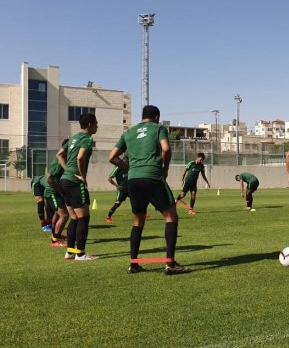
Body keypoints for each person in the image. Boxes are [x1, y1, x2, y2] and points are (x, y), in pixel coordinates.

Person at [108, 105, 190, 275]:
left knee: (138, 219)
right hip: (153, 176)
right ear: (157, 117)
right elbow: (166, 148)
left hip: (133, 179)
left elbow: (112, 157)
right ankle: (170, 264)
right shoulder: (159, 128)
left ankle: (134, 263)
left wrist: (128, 168)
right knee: (170, 216)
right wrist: (165, 169)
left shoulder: (128, 133)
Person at [57, 113, 98, 261]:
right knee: (83, 218)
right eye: (96, 123)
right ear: (89, 125)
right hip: (74, 182)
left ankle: (70, 252)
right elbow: (80, 157)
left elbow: (59, 154)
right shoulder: (87, 139)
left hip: (64, 181)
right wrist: (82, 176)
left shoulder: (73, 137)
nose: (97, 126)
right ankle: (80, 254)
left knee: (74, 218)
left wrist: (67, 169)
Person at [44, 145, 69, 247]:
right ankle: (55, 240)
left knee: (58, 214)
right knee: (64, 215)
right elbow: (49, 178)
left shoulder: (63, 160)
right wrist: (59, 191)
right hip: (52, 193)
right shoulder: (58, 163)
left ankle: (54, 235)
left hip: (56, 193)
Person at [105, 156, 130, 223]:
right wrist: (116, 186)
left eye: (127, 162)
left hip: (130, 188)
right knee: (118, 203)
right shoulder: (117, 168)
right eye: (125, 162)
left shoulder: (129, 168)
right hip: (122, 189)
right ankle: (108, 217)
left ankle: (142, 214)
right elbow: (109, 179)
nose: (127, 163)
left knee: (138, 200)